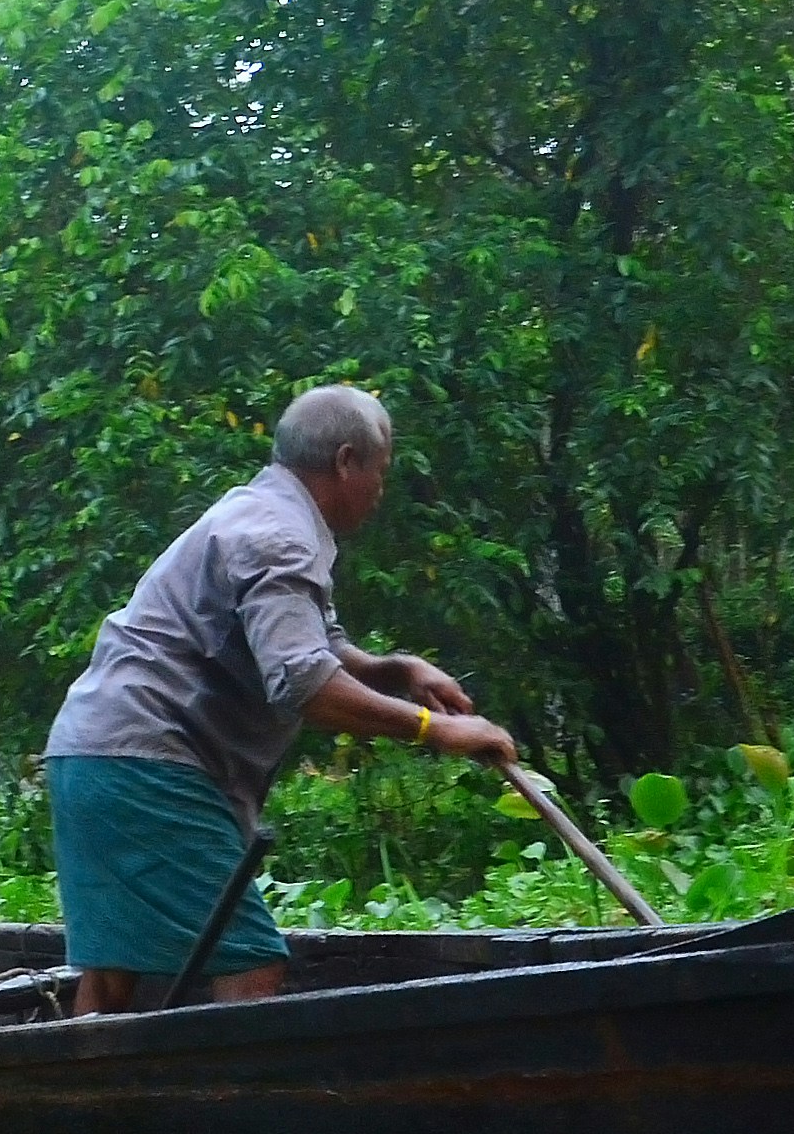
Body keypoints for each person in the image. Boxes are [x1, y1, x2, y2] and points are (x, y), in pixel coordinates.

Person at [41, 383, 519, 1012]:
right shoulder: (280, 536)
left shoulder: (262, 513)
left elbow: (308, 645)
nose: (381, 488)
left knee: (111, 971)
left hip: (90, 756)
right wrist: (437, 730)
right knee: (250, 959)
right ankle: (226, 1110)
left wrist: (394, 669)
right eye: (381, 469)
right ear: (346, 461)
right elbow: (304, 685)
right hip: (148, 761)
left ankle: (87, 1103)